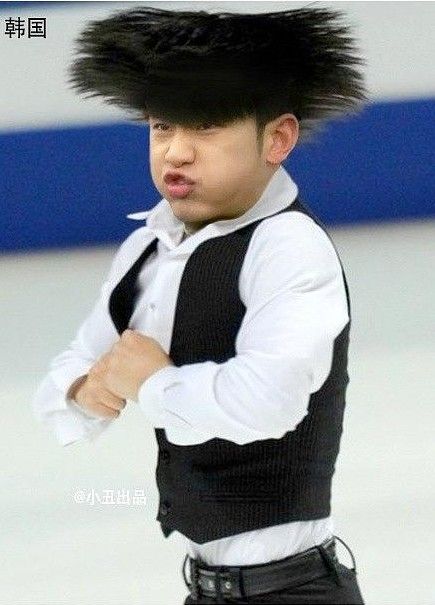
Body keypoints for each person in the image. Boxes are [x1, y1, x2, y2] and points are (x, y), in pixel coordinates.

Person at [32, 5, 368, 603]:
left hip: (294, 591)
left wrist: (151, 384)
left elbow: (268, 402)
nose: (176, 153)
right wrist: (88, 388)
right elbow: (73, 371)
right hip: (206, 589)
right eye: (163, 127)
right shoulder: (148, 247)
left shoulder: (288, 247)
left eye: (206, 127)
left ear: (278, 138)